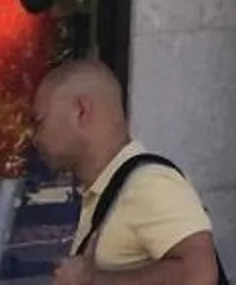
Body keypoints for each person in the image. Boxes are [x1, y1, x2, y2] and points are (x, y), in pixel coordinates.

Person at [28, 61, 220, 285]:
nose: (35, 138)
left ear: (81, 111)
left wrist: (91, 280)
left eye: (40, 122)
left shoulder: (149, 184)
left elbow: (199, 275)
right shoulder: (110, 190)